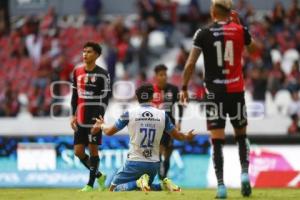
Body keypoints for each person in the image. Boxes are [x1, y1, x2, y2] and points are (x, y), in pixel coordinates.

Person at [180, 0, 257, 198]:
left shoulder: (203, 33)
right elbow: (256, 51)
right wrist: (241, 28)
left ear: (214, 10)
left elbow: (190, 64)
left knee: (217, 141)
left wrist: (183, 87)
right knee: (241, 136)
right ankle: (245, 175)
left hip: (214, 94)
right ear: (229, 11)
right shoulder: (240, 30)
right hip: (236, 92)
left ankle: (221, 187)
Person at [91, 84, 195, 192]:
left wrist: (101, 125)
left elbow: (108, 132)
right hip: (154, 164)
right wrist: (187, 136)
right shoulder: (163, 115)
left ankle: (138, 182)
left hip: (134, 162)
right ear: (152, 97)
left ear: (137, 97)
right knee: (144, 188)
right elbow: (177, 136)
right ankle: (163, 185)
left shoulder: (129, 114)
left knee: (113, 189)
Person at [70, 42, 110, 192]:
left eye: (89, 52)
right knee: (78, 152)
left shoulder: (103, 74)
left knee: (93, 150)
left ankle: (90, 184)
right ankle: (100, 176)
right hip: (80, 117)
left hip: (94, 117)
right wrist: (72, 115)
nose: (85, 54)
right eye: (84, 51)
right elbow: (74, 96)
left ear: (97, 55)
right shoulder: (77, 71)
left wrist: (99, 120)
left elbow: (105, 98)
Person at [152, 64, 183, 180]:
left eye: (165, 74)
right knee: (159, 150)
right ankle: (161, 177)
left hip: (170, 124)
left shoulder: (173, 89)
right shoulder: (151, 90)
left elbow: (180, 106)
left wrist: (180, 122)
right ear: (156, 76)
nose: (164, 77)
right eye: (161, 75)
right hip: (156, 125)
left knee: (168, 153)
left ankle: (164, 176)